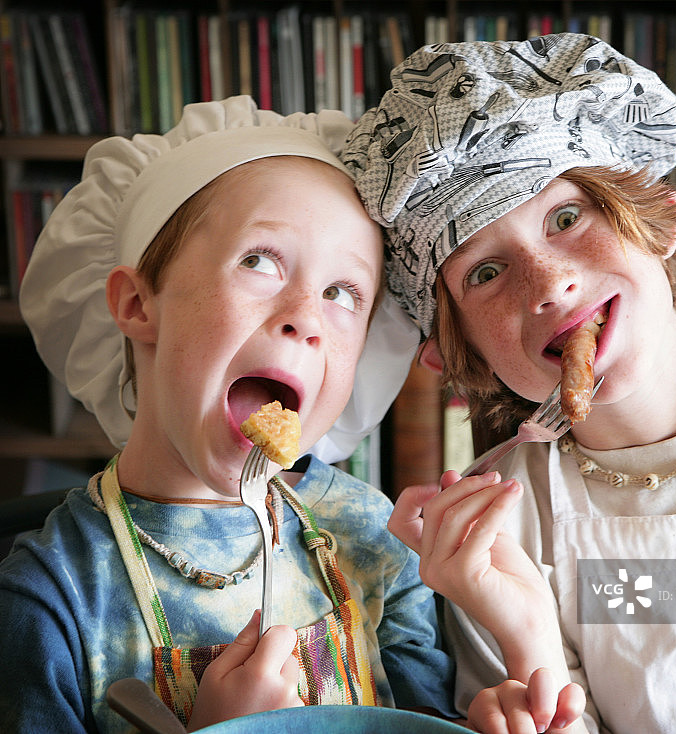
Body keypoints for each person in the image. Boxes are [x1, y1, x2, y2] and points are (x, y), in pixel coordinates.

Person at [343, 34, 676, 733]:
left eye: (566, 217)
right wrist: (528, 643)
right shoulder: (494, 544)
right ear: (451, 353)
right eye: (485, 273)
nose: (548, 285)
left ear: (659, 221)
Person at [0, 95, 463, 733]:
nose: (305, 316)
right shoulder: (51, 597)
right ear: (138, 304)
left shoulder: (373, 537)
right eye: (260, 260)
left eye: (342, 293)